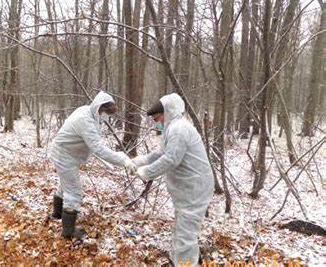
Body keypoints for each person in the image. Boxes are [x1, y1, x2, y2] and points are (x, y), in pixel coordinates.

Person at [131, 93, 214, 266]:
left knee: (186, 236)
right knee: (181, 229)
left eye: (157, 118)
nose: (156, 122)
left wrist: (146, 172)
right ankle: (179, 261)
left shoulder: (179, 129)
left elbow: (171, 159)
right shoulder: (172, 128)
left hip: (195, 188)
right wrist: (140, 161)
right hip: (187, 189)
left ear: (168, 112)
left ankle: (185, 264)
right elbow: (162, 153)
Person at [49, 91, 136, 240]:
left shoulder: (89, 113)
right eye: (105, 112)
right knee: (74, 192)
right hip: (64, 156)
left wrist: (118, 157)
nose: (106, 115)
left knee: (65, 186)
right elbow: (98, 148)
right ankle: (68, 232)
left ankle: (57, 214)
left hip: (68, 154)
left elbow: (94, 143)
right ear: (98, 107)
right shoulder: (85, 120)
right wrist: (124, 161)